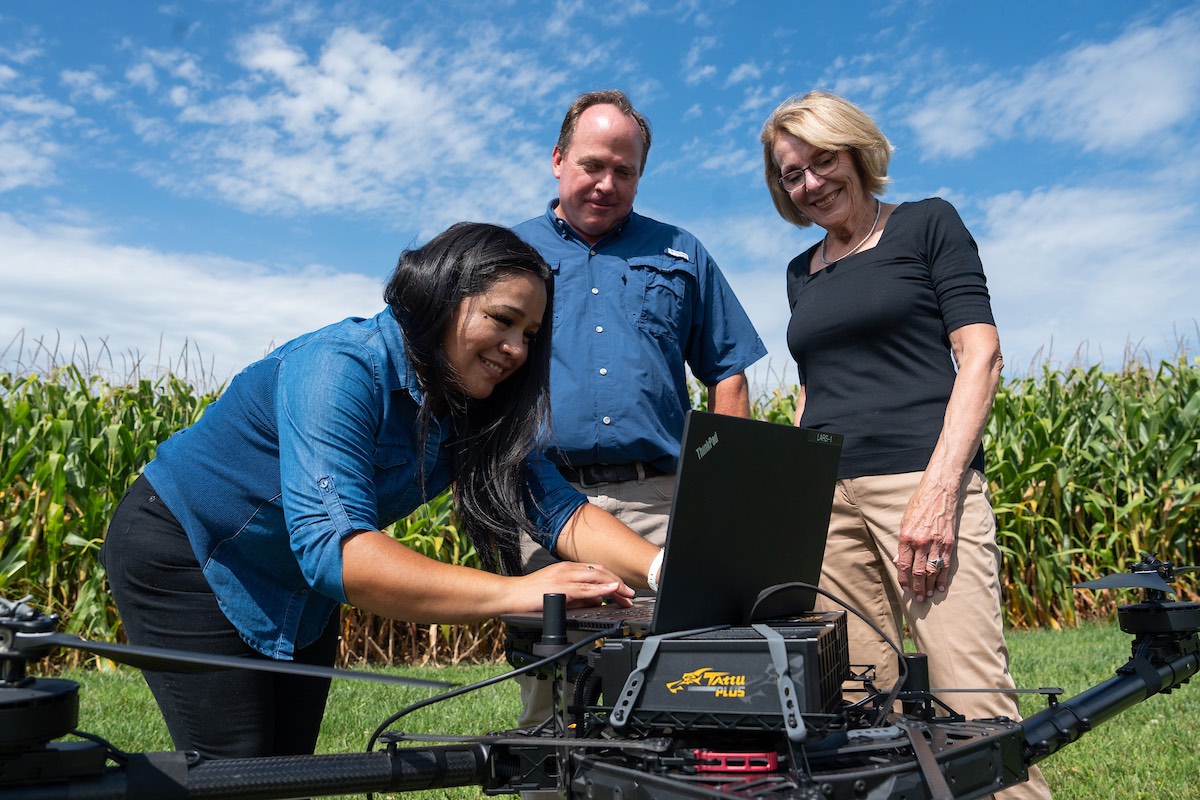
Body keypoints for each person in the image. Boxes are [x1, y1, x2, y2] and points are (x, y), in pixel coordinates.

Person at [100, 222, 663, 761]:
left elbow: (560, 511)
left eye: (530, 335)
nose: (516, 349)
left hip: (293, 577)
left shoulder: (475, 401)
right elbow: (336, 552)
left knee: (289, 767)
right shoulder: (337, 368)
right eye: (503, 319)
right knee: (236, 764)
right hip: (187, 553)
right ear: (442, 296)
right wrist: (518, 594)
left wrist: (666, 570)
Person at [759, 91, 1051, 800]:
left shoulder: (927, 224)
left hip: (922, 484)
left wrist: (941, 489)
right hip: (829, 503)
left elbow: (979, 356)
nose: (811, 183)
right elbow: (812, 391)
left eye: (822, 161)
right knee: (862, 712)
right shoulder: (803, 272)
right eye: (792, 174)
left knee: (973, 707)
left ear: (856, 151)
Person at [511, 90, 767, 727]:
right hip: (545, 500)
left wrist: (725, 495)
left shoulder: (681, 251)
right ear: (557, 160)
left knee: (675, 681)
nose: (606, 183)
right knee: (551, 687)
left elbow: (726, 370)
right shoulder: (506, 253)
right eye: (592, 165)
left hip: (659, 501)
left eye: (624, 171)